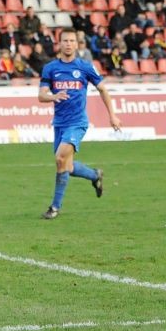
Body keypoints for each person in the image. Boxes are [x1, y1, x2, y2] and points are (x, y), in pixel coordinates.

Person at [38, 29, 122, 219]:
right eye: (65, 41)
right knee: (66, 166)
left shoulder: (85, 67)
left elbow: (103, 90)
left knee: (60, 159)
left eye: (71, 41)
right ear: (59, 44)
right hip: (59, 123)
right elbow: (41, 95)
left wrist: (113, 116)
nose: (68, 44)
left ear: (77, 44)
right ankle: (95, 175)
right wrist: (53, 96)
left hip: (77, 122)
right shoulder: (50, 68)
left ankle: (54, 208)